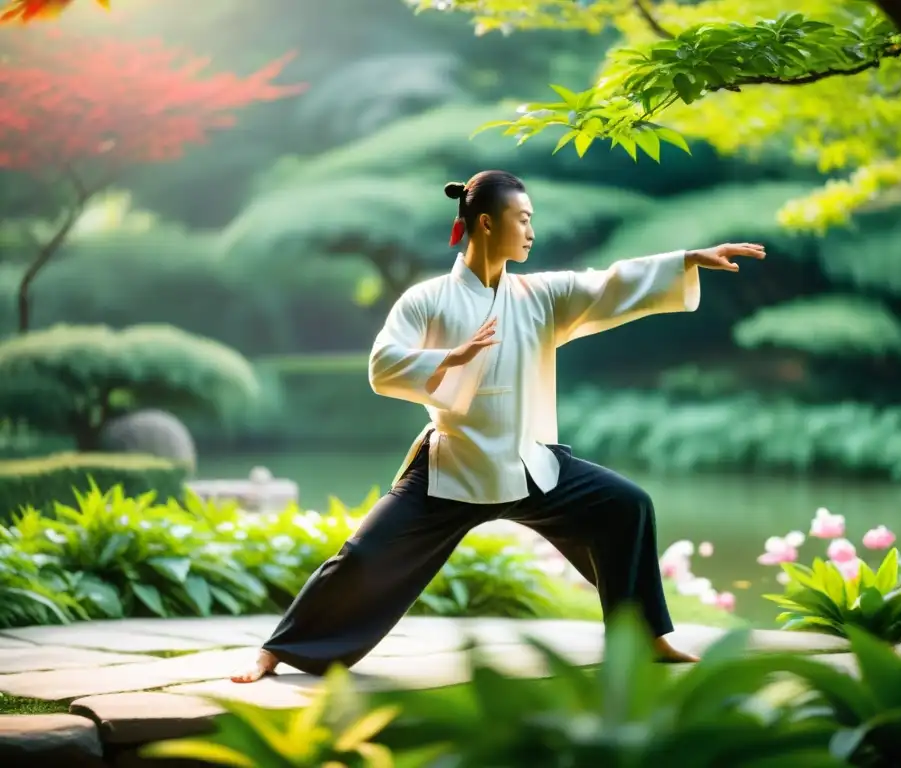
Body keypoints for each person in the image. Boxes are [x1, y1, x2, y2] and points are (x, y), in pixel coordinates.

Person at [231, 169, 765, 683]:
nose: (532, 230)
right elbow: (382, 365)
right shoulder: (426, 300)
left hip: (529, 464)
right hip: (454, 468)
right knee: (365, 557)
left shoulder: (539, 296)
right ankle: (278, 650)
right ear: (487, 223)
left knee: (627, 507)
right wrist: (450, 357)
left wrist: (684, 261)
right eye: (523, 218)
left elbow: (605, 286)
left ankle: (645, 635)